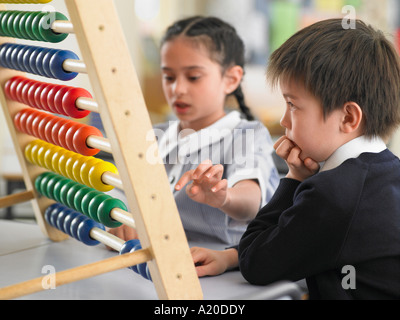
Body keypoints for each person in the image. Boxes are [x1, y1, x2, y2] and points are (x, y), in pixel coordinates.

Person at [192, 18, 400, 300]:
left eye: (293, 105)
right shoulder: (386, 172)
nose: (283, 119)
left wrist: (294, 179)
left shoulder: (334, 194)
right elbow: (294, 244)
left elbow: (257, 264)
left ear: (349, 117)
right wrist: (232, 256)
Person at [109, 16, 279, 246]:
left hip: (218, 266)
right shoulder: (155, 135)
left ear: (231, 79)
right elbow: (122, 190)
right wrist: (118, 217)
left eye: (193, 77)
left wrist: (224, 196)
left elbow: (250, 201)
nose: (177, 89)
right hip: (155, 261)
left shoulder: (247, 136)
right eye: (168, 76)